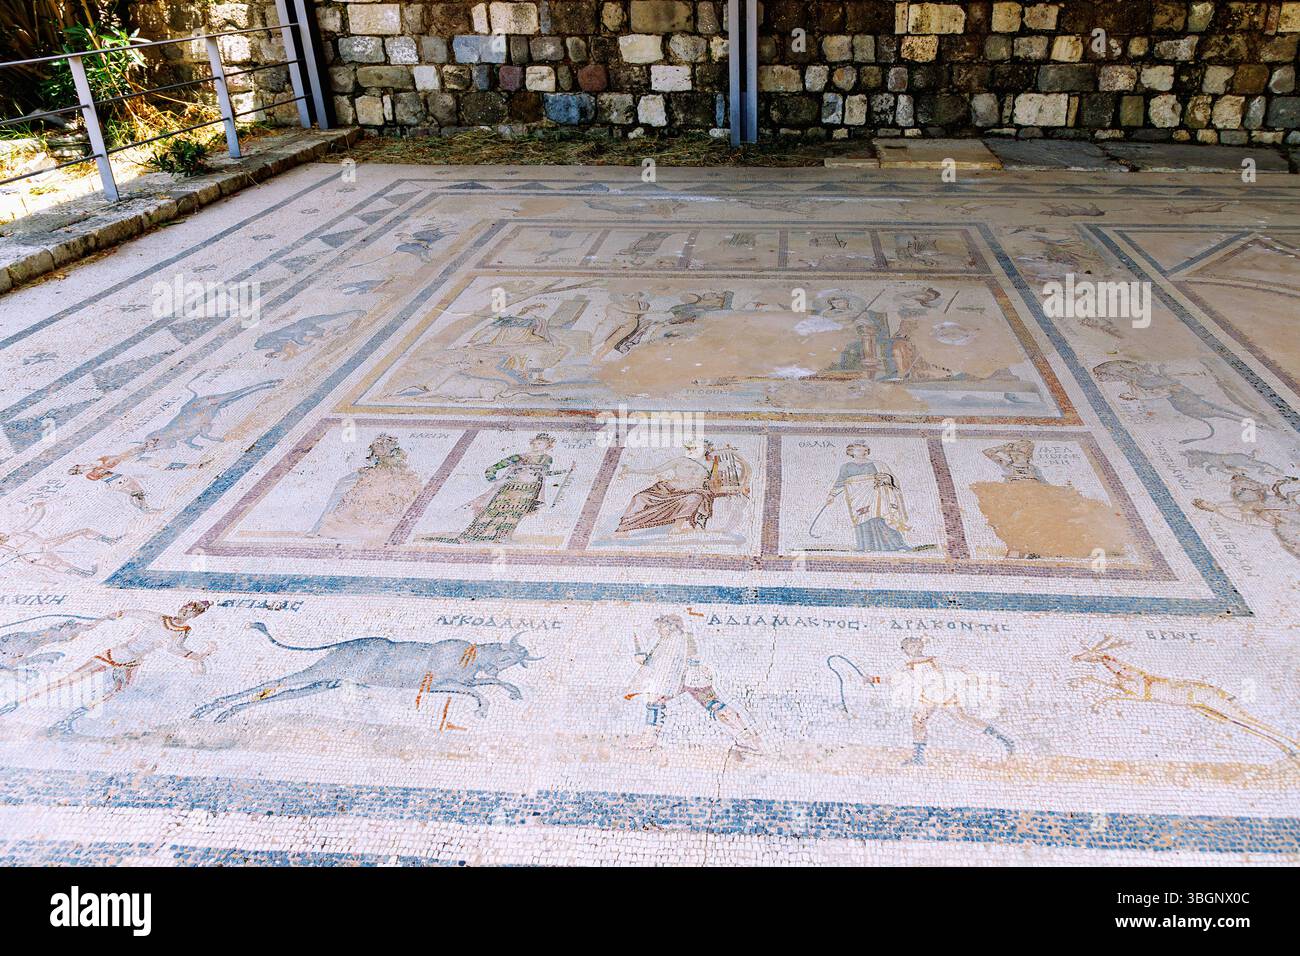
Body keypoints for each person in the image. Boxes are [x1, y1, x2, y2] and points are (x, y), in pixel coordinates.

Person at [0, 600, 214, 734]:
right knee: (70, 679)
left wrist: (199, 656)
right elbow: (130, 612)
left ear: (194, 616)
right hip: (117, 654)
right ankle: (17, 703)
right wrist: (101, 620)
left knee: (116, 691)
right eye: (185, 608)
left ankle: (69, 720)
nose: (185, 612)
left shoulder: (182, 630)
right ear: (181, 607)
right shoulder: (159, 618)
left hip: (133, 662)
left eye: (190, 612)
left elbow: (174, 649)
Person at [622, 614, 762, 752]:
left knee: (657, 701)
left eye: (661, 627)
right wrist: (646, 659)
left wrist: (646, 661)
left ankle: (648, 740)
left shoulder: (676, 639)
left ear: (670, 626)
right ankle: (747, 738)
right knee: (713, 704)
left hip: (688, 677)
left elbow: (670, 665)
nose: (659, 630)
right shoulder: (675, 638)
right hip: (690, 676)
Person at [898, 636, 1015, 766]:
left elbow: (957, 666)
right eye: (909, 647)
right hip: (927, 696)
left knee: (961, 717)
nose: (913, 649)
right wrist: (874, 679)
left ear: (920, 646)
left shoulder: (932, 660)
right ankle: (918, 757)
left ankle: (1002, 739)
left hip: (943, 694)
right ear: (905, 651)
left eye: (915, 646)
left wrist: (976, 678)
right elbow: (894, 678)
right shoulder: (908, 666)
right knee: (918, 721)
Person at [825, 443, 913, 552]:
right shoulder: (846, 467)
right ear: (851, 452)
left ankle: (897, 545)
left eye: (865, 450)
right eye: (859, 450)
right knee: (862, 520)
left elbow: (891, 478)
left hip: (876, 494)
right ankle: (866, 546)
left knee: (882, 517)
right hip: (856, 497)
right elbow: (840, 481)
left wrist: (885, 478)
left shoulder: (878, 464)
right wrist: (831, 495)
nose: (863, 452)